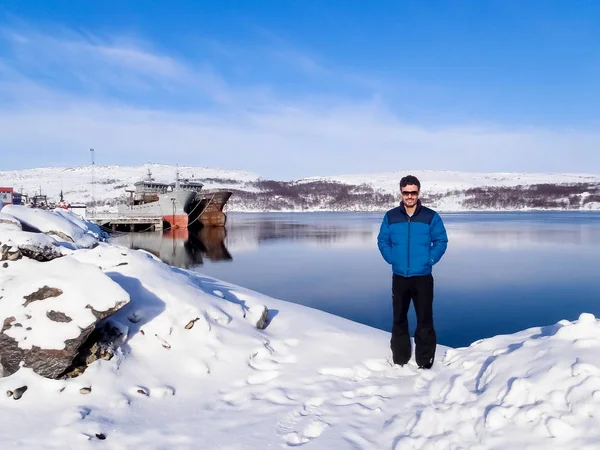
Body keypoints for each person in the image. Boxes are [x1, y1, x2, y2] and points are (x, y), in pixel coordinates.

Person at [377, 175, 448, 369]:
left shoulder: (430, 216)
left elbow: (441, 241)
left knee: (424, 318)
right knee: (399, 317)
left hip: (423, 277)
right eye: (406, 192)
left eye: (413, 192)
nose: (410, 196)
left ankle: (425, 361)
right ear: (401, 192)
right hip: (400, 277)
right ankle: (400, 358)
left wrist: (430, 259)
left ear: (419, 193)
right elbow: (383, 240)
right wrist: (392, 258)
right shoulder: (391, 216)